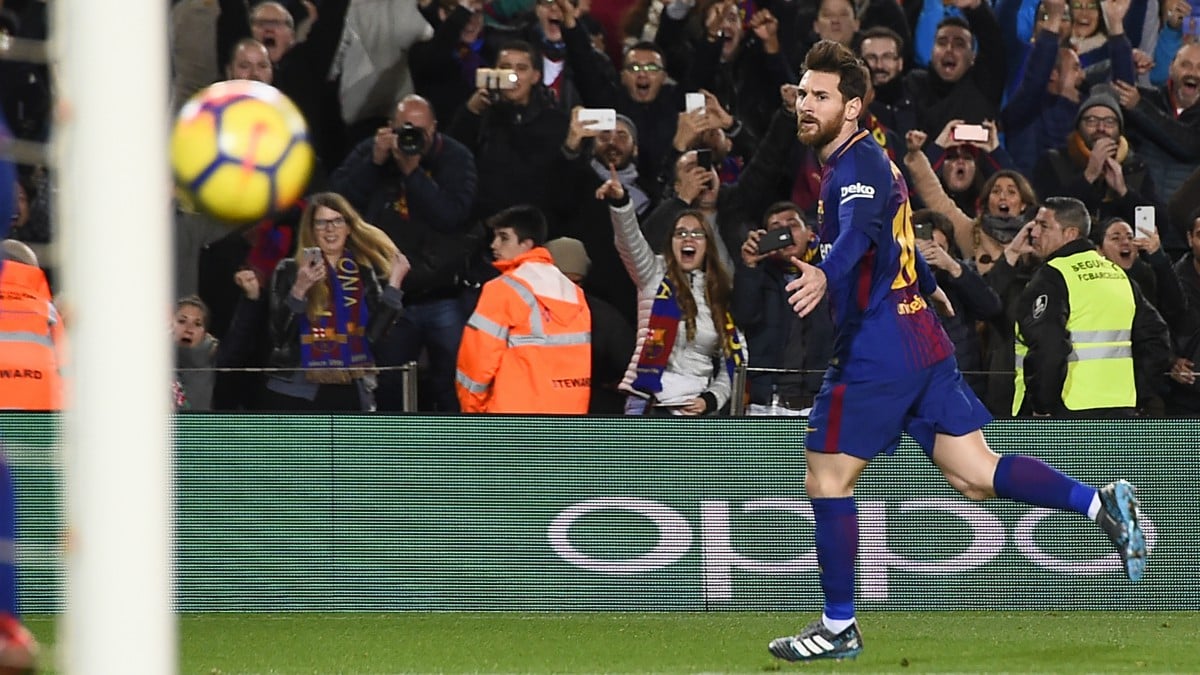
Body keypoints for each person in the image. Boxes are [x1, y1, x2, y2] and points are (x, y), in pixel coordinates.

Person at [766, 41, 1149, 663]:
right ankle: (1097, 502)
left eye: (821, 96)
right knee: (974, 473)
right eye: (803, 94)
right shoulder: (869, 162)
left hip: (878, 347)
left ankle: (839, 626)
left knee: (827, 476)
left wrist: (820, 274)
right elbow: (897, 236)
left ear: (854, 106)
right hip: (918, 335)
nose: (806, 105)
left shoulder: (856, 167)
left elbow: (859, 240)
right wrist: (927, 287)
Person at [330, 94, 478, 412]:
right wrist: (374, 162)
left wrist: (412, 174)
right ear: (390, 128)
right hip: (390, 297)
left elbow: (452, 215)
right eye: (403, 129)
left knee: (453, 383)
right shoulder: (374, 152)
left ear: (435, 128)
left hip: (443, 294)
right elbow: (336, 204)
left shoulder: (455, 157)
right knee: (389, 386)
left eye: (419, 131)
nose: (411, 138)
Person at [599, 166, 746, 416]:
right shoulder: (652, 274)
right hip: (647, 404)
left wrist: (710, 399)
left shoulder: (720, 294)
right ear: (670, 243)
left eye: (697, 234)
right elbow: (629, 240)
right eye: (681, 233)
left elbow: (737, 360)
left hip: (696, 409)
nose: (688, 239)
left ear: (708, 245)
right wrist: (621, 203)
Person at [1011, 198, 1173, 417]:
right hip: (1121, 411)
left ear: (1070, 234)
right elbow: (1158, 340)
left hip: (1067, 413)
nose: (1034, 233)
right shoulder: (1117, 274)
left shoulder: (1053, 276)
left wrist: (1042, 405)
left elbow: (1048, 347)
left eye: (1044, 226)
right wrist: (1138, 393)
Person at [263, 192, 410, 411]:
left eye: (337, 221)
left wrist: (394, 284)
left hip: (350, 387)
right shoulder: (290, 270)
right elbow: (278, 337)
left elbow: (372, 337)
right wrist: (299, 289)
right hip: (296, 390)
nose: (330, 229)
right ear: (311, 230)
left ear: (349, 228)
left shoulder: (363, 273)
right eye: (321, 223)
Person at [455, 206, 592, 413]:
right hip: (569, 417)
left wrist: (473, 411)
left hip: (513, 420)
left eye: (504, 238)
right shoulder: (573, 292)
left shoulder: (502, 289)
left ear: (526, 244)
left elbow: (477, 361)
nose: (494, 245)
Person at [731, 202, 833, 414]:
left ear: (811, 234)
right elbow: (743, 317)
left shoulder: (830, 273)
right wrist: (749, 267)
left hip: (821, 400)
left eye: (792, 224)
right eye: (775, 227)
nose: (784, 232)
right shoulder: (757, 273)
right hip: (767, 403)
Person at [545, 236, 636, 414]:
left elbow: (629, 371)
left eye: (576, 282)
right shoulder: (522, 310)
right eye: (562, 281)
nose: (569, 289)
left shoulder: (605, 318)